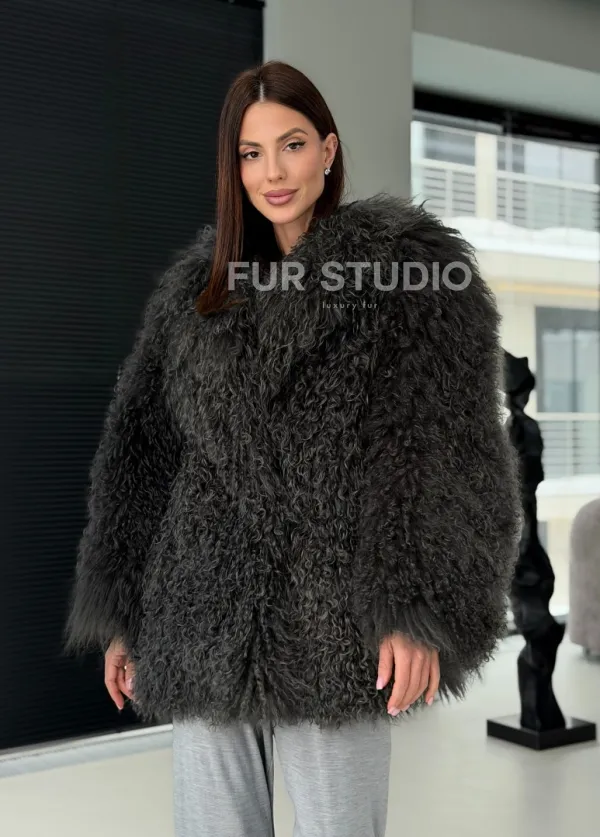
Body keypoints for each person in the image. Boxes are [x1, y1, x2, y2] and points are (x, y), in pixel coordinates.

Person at [63, 60, 522, 837]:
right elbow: (141, 453)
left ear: (328, 151)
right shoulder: (193, 292)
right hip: (202, 606)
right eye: (251, 153)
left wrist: (415, 607)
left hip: (336, 610)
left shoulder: (408, 273)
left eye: (293, 145)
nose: (273, 172)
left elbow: (441, 448)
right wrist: (123, 610)